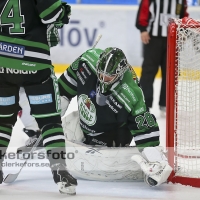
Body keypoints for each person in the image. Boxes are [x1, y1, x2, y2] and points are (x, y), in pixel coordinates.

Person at [58, 47, 172, 186]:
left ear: (121, 73)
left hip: (113, 134)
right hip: (86, 123)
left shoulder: (130, 93)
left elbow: (145, 130)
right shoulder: (87, 61)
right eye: (101, 74)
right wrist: (54, 111)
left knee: (97, 162)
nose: (103, 79)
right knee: (62, 132)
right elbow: (64, 86)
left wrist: (155, 159)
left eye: (109, 76)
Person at [0, 0, 77, 195]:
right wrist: (64, 12)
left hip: (2, 63)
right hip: (33, 64)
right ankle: (60, 172)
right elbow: (50, 14)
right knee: (50, 121)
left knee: (2, 120)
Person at [135, 0, 189, 116]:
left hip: (173, 38)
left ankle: (166, 104)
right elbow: (143, 11)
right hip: (153, 38)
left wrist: (183, 30)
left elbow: (183, 15)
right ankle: (144, 104)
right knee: (149, 71)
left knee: (170, 72)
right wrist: (143, 29)